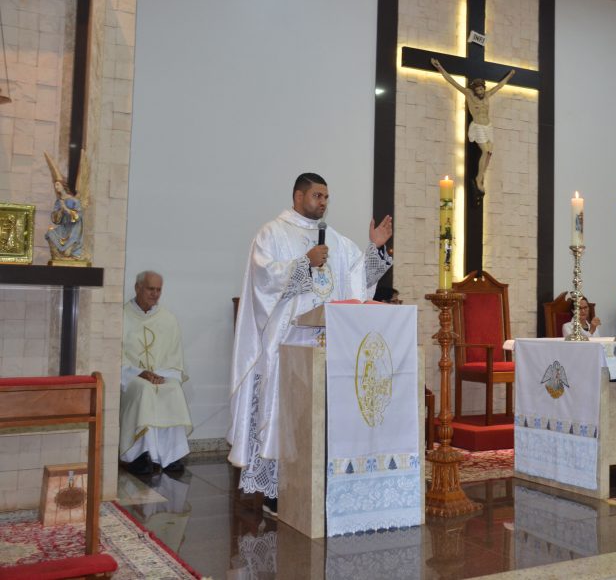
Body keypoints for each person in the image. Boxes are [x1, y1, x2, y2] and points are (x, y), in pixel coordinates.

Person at [227, 173, 393, 517]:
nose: (323, 202)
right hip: (286, 344)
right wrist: (305, 262)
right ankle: (279, 491)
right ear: (298, 196)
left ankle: (319, 483)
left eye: (326, 197)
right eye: (317, 196)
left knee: (321, 417)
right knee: (285, 416)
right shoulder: (272, 233)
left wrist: (375, 249)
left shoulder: (336, 240)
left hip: (327, 344)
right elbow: (263, 280)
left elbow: (358, 279)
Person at [120, 271, 191, 476]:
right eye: (150, 289)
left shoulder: (167, 319)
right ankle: (138, 455)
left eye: (158, 290)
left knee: (173, 389)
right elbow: (115, 355)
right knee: (144, 389)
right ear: (137, 288)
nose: (155, 294)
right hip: (131, 377)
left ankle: (171, 454)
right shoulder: (121, 316)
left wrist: (160, 375)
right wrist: (140, 373)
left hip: (160, 374)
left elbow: (174, 356)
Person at [430, 58, 515, 193]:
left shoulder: (487, 95)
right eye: (478, 90)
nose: (480, 92)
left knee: (490, 153)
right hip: (478, 126)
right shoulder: (469, 94)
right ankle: (478, 178)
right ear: (474, 90)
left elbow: (500, 86)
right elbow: (452, 81)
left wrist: (510, 75)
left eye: (482, 89)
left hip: (488, 127)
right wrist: (439, 67)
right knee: (485, 151)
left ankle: (481, 176)